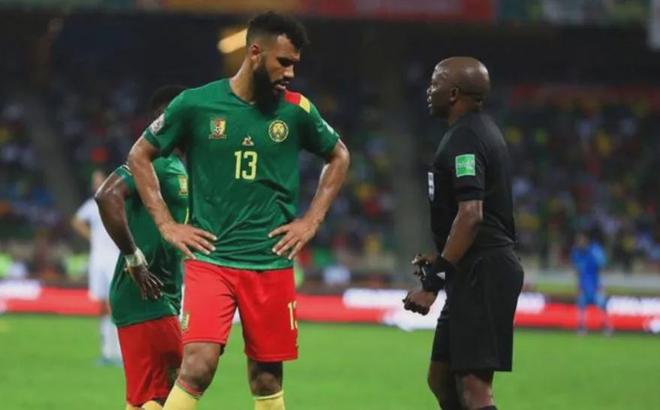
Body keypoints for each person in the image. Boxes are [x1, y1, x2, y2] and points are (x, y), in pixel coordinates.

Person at [127, 12, 350, 410]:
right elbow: (140, 155)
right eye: (284, 62)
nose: (290, 73)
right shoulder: (195, 104)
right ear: (255, 53)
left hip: (271, 262)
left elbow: (339, 155)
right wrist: (167, 224)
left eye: (295, 64)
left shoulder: (296, 110)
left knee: (266, 377)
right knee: (197, 366)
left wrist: (311, 220)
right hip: (211, 259)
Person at [403, 57, 524, 410]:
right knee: (441, 379)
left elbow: (471, 216)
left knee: (474, 387)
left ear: (454, 93)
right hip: (472, 269)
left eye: (435, 83)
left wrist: (432, 284)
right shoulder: (470, 132)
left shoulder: (467, 138)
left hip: (483, 272)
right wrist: (441, 258)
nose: (429, 90)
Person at [95, 85, 188, 409]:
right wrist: (134, 258)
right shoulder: (153, 161)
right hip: (145, 294)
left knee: (148, 396)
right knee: (177, 386)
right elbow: (107, 196)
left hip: (161, 293)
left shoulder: (177, 167)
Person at [71, 169, 121, 365]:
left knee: (114, 302)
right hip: (97, 259)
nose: (97, 184)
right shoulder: (92, 205)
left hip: (114, 257)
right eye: (95, 181)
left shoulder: (118, 201)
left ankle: (119, 351)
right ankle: (107, 351)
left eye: (100, 180)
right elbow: (76, 221)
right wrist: (91, 236)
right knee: (101, 303)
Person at [570, 231, 611, 335]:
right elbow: (577, 271)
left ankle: (606, 327)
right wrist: (578, 286)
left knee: (602, 305)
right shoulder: (576, 252)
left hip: (596, 286)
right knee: (581, 306)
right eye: (578, 241)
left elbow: (602, 268)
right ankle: (581, 327)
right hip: (583, 286)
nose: (579, 242)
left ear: (586, 240)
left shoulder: (595, 251)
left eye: (581, 240)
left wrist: (603, 285)